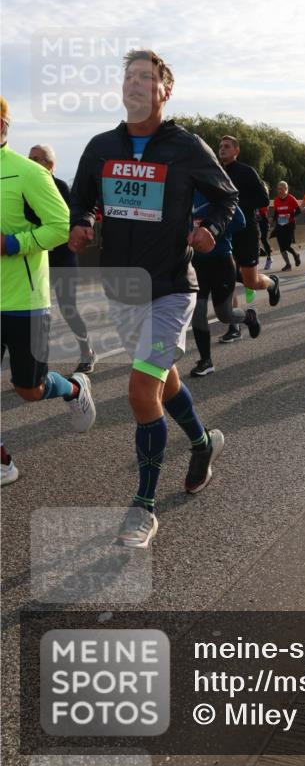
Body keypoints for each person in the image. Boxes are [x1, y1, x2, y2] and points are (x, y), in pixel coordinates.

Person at [69, 50, 238, 548]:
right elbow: (83, 197)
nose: (136, 85)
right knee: (162, 381)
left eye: (146, 77)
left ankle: (143, 507)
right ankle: (203, 443)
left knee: (141, 390)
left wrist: (208, 228)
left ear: (165, 91)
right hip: (122, 289)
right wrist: (84, 221)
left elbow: (226, 197)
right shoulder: (101, 146)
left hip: (170, 290)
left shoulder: (185, 147)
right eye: (129, 78)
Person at [1, 97, 96, 488]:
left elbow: (60, 227)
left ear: (3, 125)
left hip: (24, 300)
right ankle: (4, 463)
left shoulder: (28, 174)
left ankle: (74, 387)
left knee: (29, 388)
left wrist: (10, 244)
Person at [28, 144, 96, 374]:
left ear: (50, 165)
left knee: (68, 309)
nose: (32, 162)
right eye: (30, 158)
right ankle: (38, 362)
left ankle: (87, 352)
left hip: (63, 258)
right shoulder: (24, 188)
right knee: (36, 312)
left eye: (38, 159)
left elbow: (70, 219)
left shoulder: (60, 187)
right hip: (37, 259)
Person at [218, 136, 280, 341]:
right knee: (226, 277)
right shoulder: (216, 172)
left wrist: (235, 203)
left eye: (227, 146)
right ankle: (234, 326)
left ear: (236, 150)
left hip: (247, 231)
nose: (222, 149)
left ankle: (271, 284)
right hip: (225, 232)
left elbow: (263, 199)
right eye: (220, 146)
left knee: (250, 281)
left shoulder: (246, 171)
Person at [190, 198, 260, 376]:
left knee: (225, 314)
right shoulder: (185, 190)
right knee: (197, 311)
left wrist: (212, 231)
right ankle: (206, 361)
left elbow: (240, 222)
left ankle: (249, 317)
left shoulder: (218, 191)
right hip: (196, 262)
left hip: (221, 260)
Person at [272, 181, 301, 270]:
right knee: (281, 247)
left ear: (286, 189)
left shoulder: (291, 198)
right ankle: (288, 264)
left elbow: (298, 211)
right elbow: (276, 213)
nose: (279, 191)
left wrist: (290, 215)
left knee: (287, 245)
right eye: (278, 189)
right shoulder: (276, 200)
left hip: (289, 225)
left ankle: (296, 255)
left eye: (281, 189)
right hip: (280, 225)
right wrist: (272, 220)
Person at [257, 190, 273, 270]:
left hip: (263, 221)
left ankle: (269, 258)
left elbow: (263, 211)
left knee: (263, 239)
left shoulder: (264, 198)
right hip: (255, 221)